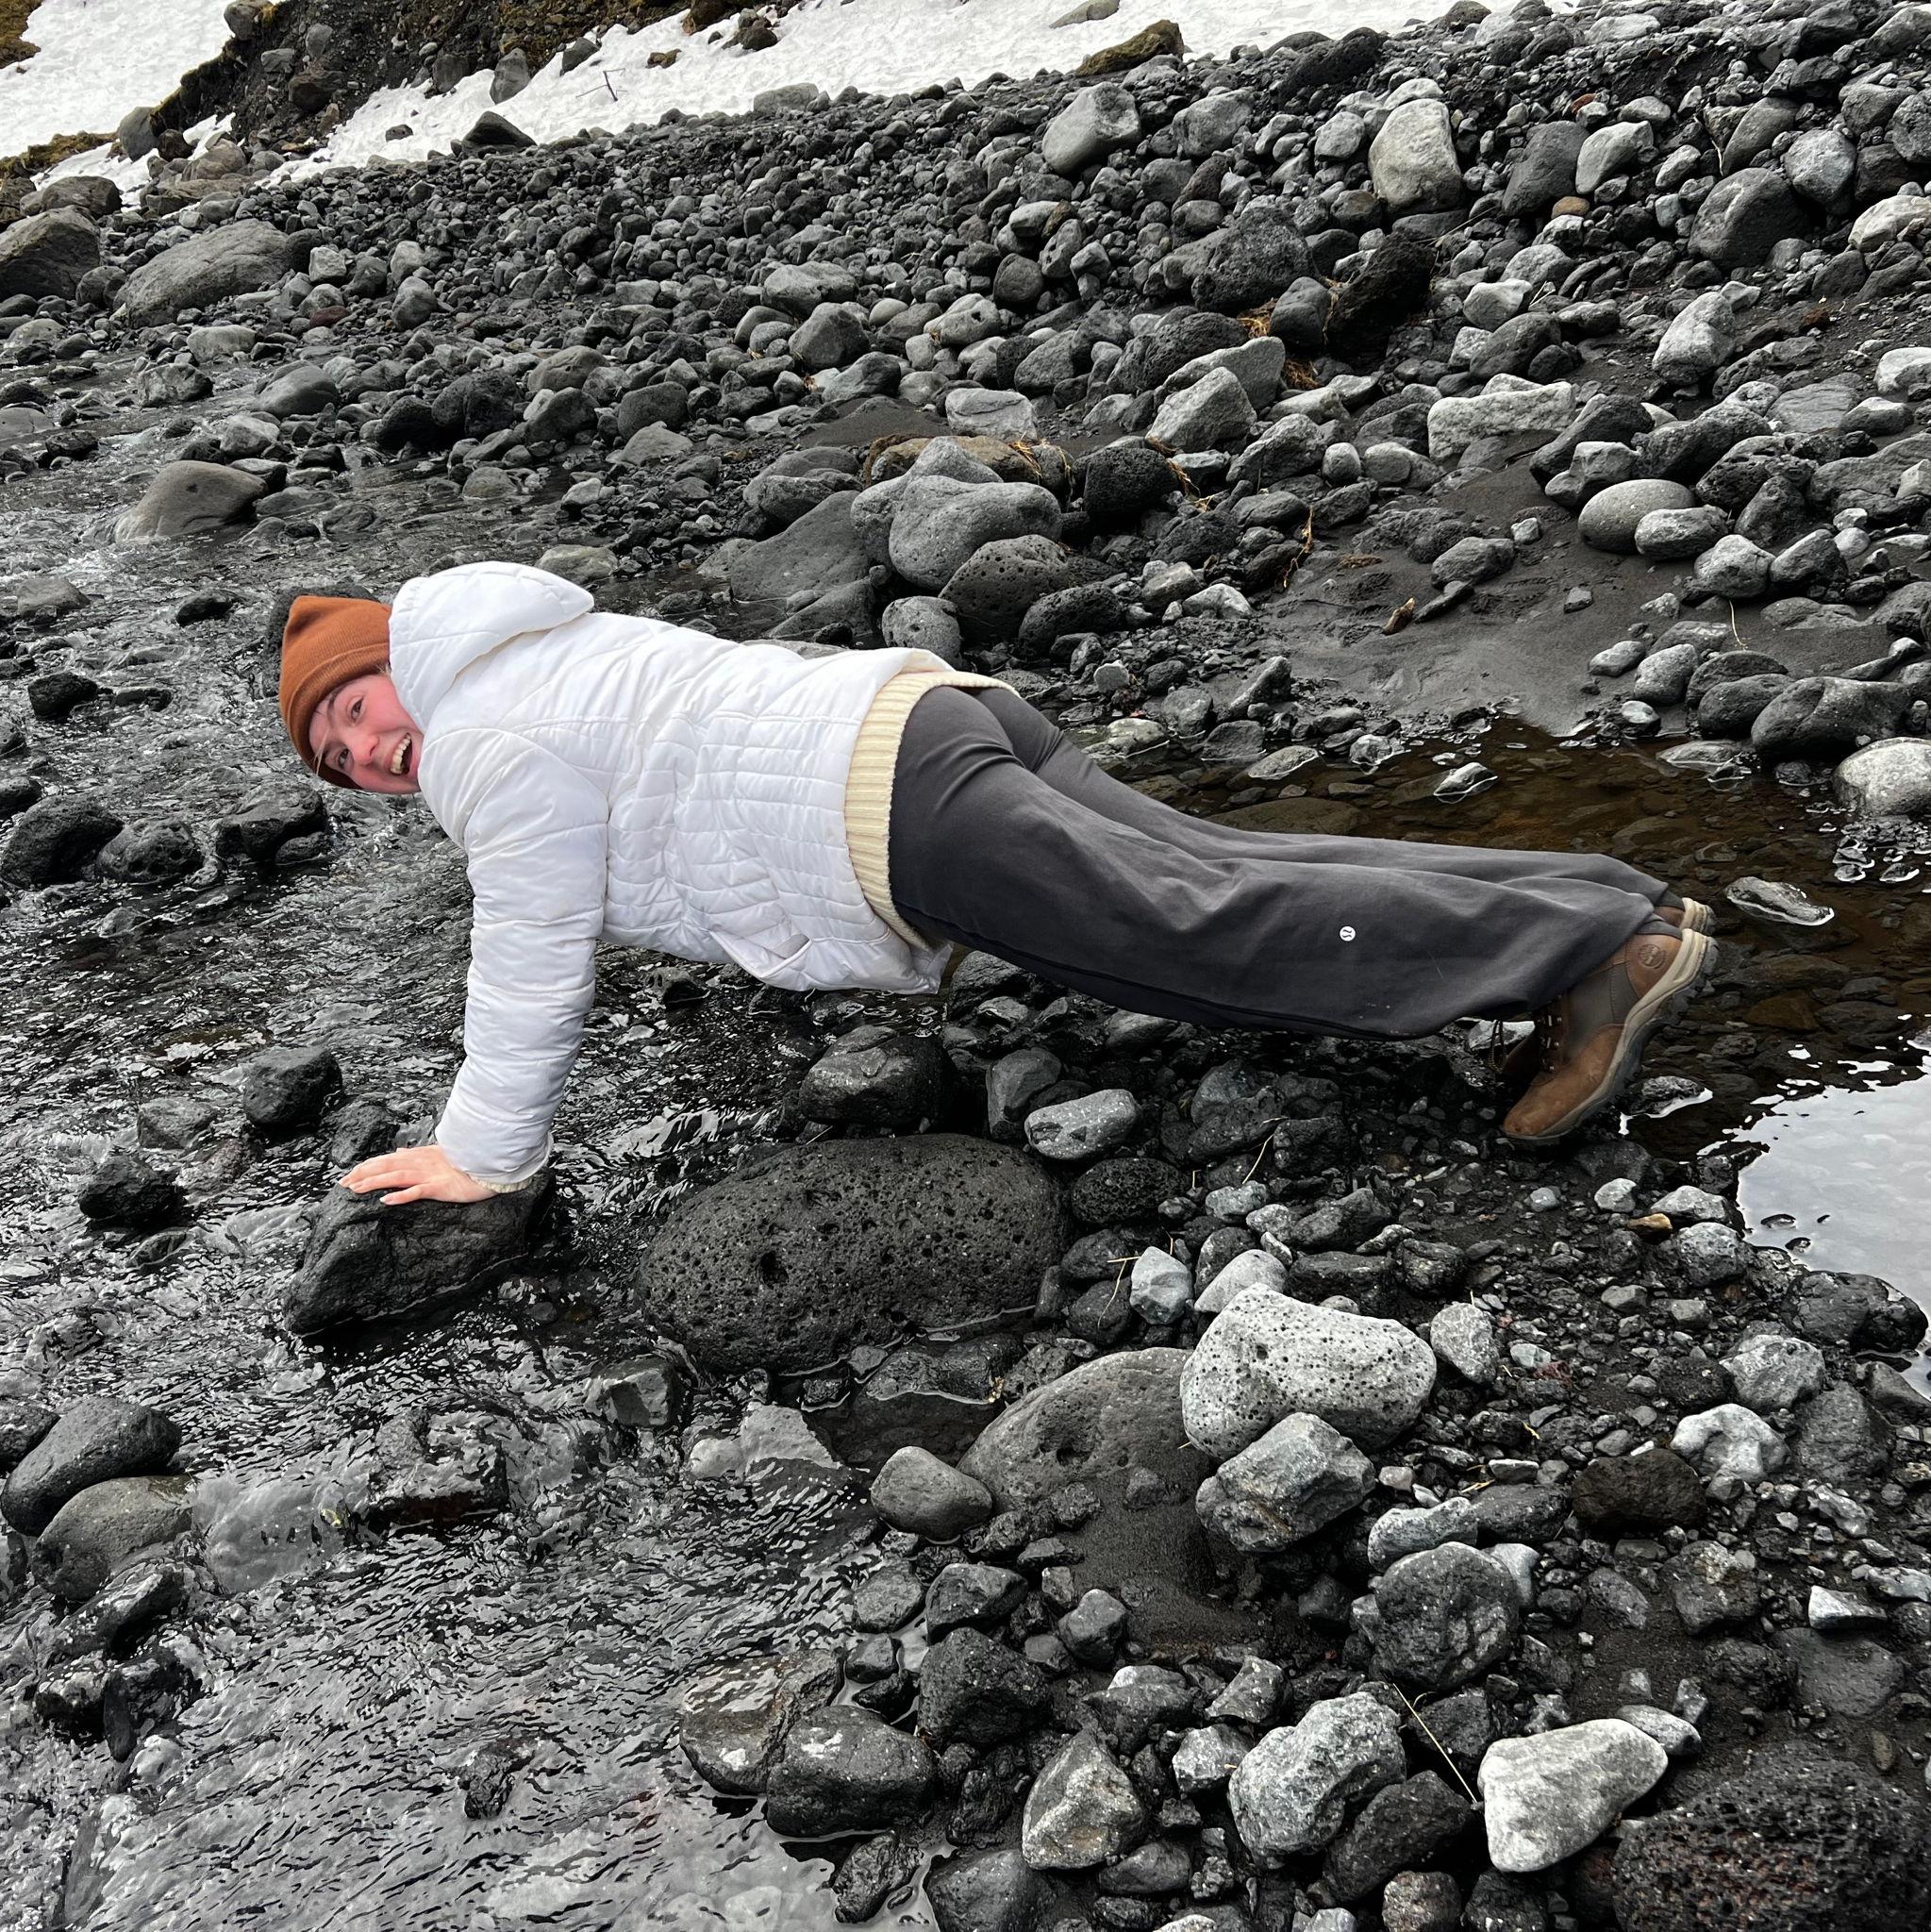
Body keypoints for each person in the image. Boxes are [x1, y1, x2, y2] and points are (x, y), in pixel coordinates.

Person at [278, 561, 1714, 1207]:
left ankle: (1589, 959)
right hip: (931, 720)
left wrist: (484, 1151)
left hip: (896, 817)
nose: (373, 755)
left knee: (1206, 931)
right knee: (1231, 864)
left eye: (355, 712)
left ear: (394, 663)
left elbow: (529, 942)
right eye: (343, 763)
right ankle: (1615, 902)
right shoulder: (524, 648)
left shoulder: (477, 735)